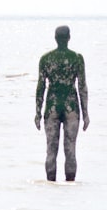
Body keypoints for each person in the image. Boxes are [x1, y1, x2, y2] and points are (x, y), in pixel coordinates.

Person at [34, 25, 90, 181]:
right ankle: (70, 186)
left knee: (51, 150)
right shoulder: (77, 58)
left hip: (52, 107)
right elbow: (82, 87)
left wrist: (37, 113)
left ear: (55, 38)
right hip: (71, 108)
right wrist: (85, 114)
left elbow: (40, 87)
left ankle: (51, 185)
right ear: (69, 38)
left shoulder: (46, 59)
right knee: (70, 150)